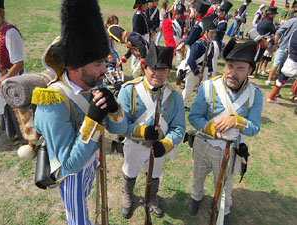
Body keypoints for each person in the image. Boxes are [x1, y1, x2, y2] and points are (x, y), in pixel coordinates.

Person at [32, 0, 127, 224]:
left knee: (86, 194)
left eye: (104, 61)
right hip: (71, 174)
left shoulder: (95, 83)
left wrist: (114, 109)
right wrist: (93, 120)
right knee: (78, 219)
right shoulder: (53, 101)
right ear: (74, 66)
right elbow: (69, 164)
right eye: (98, 63)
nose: (105, 68)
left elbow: (121, 130)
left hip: (92, 160)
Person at [188, 39, 263, 225]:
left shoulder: (255, 95)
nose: (232, 72)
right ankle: (196, 197)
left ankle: (224, 210)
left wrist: (237, 120)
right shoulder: (208, 87)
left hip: (229, 151)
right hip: (203, 144)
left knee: (224, 187)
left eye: (239, 68)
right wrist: (214, 130)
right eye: (229, 66)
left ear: (249, 71)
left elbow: (254, 128)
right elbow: (194, 117)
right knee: (198, 175)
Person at [117, 42, 186, 219]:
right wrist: (141, 132)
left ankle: (152, 196)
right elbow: (121, 125)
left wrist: (166, 144)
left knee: (155, 174)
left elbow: (179, 127)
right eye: (153, 68)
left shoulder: (175, 98)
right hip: (135, 143)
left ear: (168, 71)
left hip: (159, 147)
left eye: (163, 69)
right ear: (145, 68)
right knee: (130, 170)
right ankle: (127, 195)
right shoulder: (129, 90)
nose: (158, 73)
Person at [0, 0, 23, 142]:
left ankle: (22, 134)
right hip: (0, 75)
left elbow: (18, 64)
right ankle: (11, 132)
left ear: (0, 12)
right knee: (2, 103)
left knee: (13, 102)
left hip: (12, 78)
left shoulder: (10, 32)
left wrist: (1, 82)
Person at [182, 14, 217, 110]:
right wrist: (197, 73)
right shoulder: (198, 44)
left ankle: (197, 105)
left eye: (215, 33)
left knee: (203, 90)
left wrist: (209, 70)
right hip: (195, 69)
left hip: (204, 70)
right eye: (212, 32)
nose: (214, 35)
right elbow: (191, 60)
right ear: (206, 32)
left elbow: (210, 59)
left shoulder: (211, 45)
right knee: (188, 89)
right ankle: (182, 104)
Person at [267, 28, 297, 103]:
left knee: (281, 78)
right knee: (281, 79)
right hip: (292, 57)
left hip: (290, 55)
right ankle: (272, 97)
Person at [265, 17, 297, 85]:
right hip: (293, 51)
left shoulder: (292, 21)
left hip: (283, 46)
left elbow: (278, 32)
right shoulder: (293, 21)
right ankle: (277, 83)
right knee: (283, 68)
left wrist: (276, 44)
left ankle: (269, 80)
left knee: (276, 64)